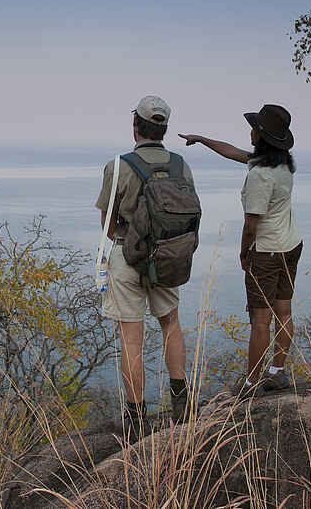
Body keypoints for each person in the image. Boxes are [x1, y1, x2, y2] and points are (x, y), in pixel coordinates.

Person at [178, 104, 302, 399]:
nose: (250, 131)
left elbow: (251, 224)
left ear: (261, 135)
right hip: (291, 245)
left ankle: (250, 384)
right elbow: (233, 152)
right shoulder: (280, 164)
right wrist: (203, 139)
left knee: (261, 320)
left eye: (254, 127)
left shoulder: (260, 176)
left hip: (268, 252)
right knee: (283, 310)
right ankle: (277, 373)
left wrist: (244, 254)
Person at [95, 95, 195, 433]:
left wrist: (130, 238)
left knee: (130, 338)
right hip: (169, 257)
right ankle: (181, 401)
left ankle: (137, 418)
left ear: (135, 125)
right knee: (171, 324)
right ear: (164, 129)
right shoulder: (181, 165)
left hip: (128, 257)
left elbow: (107, 225)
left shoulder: (118, 166)